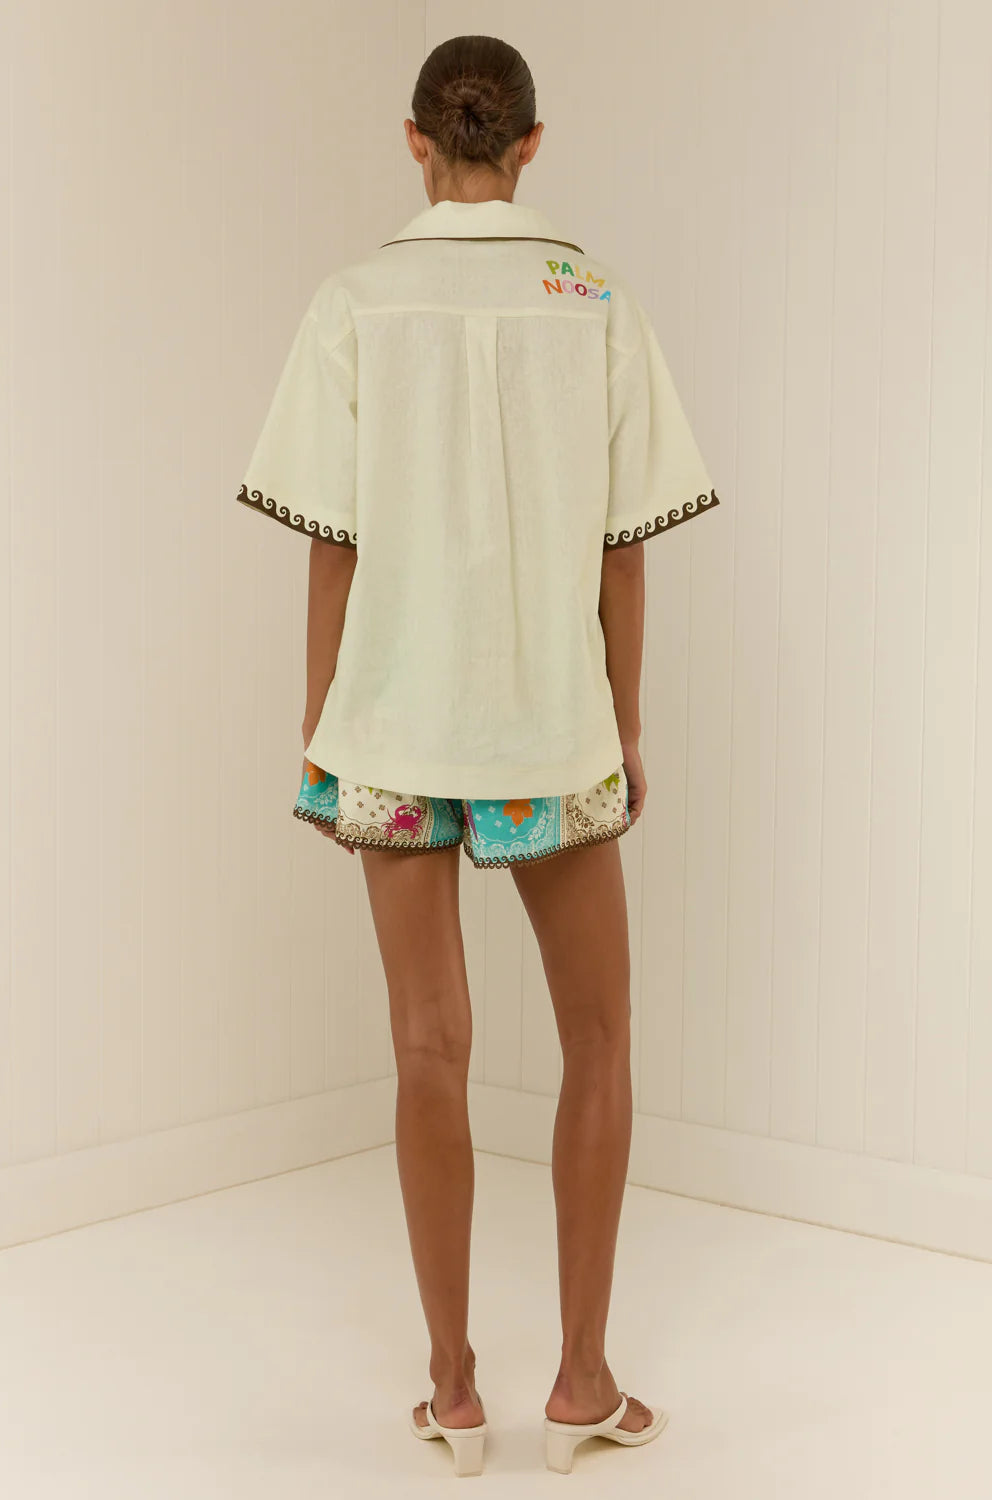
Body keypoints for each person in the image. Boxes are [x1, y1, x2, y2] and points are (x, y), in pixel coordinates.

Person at [236, 33, 719, 1479]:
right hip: (549, 727)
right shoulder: (596, 300)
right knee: (601, 1041)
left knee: (426, 1049)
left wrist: (322, 724)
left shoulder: (353, 301)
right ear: (531, 142)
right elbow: (624, 555)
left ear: (414, 141)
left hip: (390, 726)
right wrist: (624, 724)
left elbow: (331, 544)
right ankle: (582, 1381)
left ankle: (452, 1390)